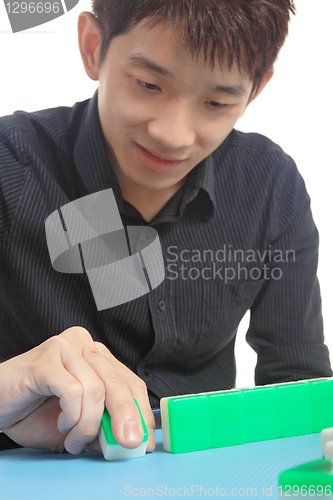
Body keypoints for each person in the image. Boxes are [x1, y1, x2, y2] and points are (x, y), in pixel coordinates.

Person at [0, 0, 331, 455]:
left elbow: (300, 385)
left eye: (217, 102)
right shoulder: (10, 165)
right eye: (149, 84)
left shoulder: (269, 184)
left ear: (257, 88)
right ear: (93, 47)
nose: (173, 135)